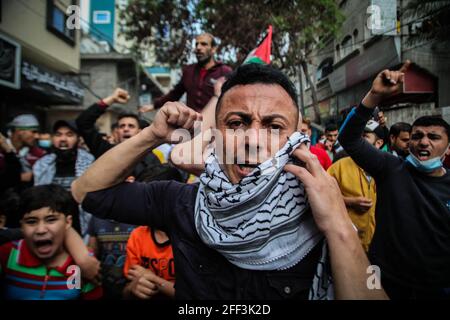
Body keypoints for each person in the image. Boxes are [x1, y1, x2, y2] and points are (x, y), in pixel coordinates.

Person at [72, 64, 387, 300]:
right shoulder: (181, 202)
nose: (252, 140)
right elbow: (86, 192)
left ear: (294, 141)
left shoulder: (319, 209)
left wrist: (338, 225)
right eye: (237, 123)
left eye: (273, 126)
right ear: (217, 136)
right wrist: (153, 135)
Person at [339, 60, 450, 299]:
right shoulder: (391, 168)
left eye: (433, 137)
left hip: (435, 286)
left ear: (447, 149)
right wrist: (374, 96)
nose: (423, 142)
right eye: (417, 136)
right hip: (381, 276)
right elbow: (348, 139)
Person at [0, 184, 102, 300]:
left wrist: (83, 261)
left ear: (68, 223)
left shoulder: (82, 265)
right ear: (21, 226)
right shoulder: (8, 255)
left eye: (51, 220)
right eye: (31, 222)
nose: (41, 230)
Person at [123, 164, 182, 300]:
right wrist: (133, 287)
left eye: (151, 200)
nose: (145, 207)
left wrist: (154, 280)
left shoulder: (191, 237)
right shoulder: (138, 235)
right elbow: (127, 289)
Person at [327, 120, 385, 252]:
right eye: (358, 135)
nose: (359, 139)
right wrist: (349, 201)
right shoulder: (339, 166)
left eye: (365, 136)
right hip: (347, 244)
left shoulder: (389, 168)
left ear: (379, 143)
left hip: (380, 246)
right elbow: (321, 197)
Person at [76, 88, 160, 179]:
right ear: (116, 132)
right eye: (122, 126)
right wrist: (111, 99)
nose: (126, 129)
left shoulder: (150, 158)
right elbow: (83, 122)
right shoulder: (106, 151)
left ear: (139, 132)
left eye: (131, 126)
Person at [33, 120, 95, 239]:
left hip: (81, 230)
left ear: (78, 139)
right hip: (49, 230)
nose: (63, 139)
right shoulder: (42, 165)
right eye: (58, 134)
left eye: (69, 135)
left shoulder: (89, 163)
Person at [152, 33, 232, 112]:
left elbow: (231, 100)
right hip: (193, 123)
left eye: (203, 44)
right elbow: (175, 94)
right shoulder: (188, 71)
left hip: (214, 123)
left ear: (213, 49)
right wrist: (154, 105)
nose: (198, 47)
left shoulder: (225, 71)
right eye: (196, 44)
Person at [87, 216, 135, 299]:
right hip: (105, 285)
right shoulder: (96, 218)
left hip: (131, 285)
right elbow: (92, 252)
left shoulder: (137, 217)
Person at [5, 114, 46, 187]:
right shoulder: (2, 151)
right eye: (33, 132)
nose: (37, 136)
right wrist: (18, 178)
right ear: (19, 131)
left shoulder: (38, 154)